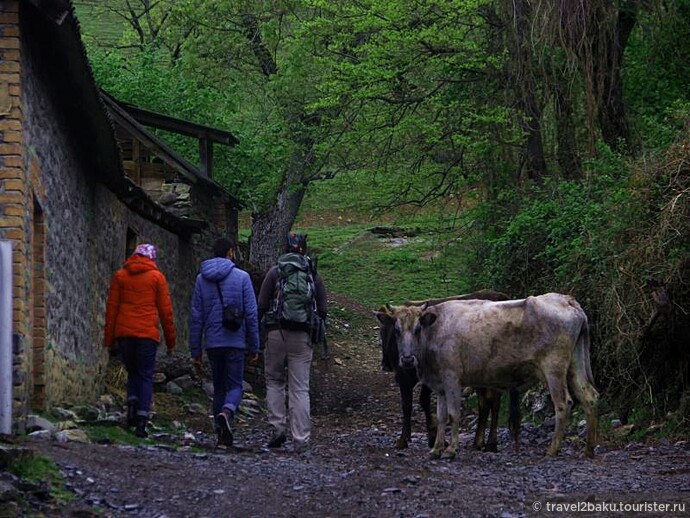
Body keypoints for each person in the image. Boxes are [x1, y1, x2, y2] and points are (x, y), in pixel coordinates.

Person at [258, 233, 328, 452]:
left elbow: (260, 305)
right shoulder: (312, 275)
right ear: (304, 250)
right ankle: (301, 438)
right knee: (300, 388)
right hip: (302, 336)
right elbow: (323, 310)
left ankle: (278, 429)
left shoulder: (275, 271)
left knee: (274, 381)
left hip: (276, 332)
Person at [189, 237, 260, 447]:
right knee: (235, 385)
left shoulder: (202, 279)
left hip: (212, 342)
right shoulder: (243, 277)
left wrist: (195, 350)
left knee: (218, 387)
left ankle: (220, 436)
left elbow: (196, 316)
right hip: (235, 341)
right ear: (230, 252)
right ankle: (227, 412)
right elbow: (251, 314)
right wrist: (255, 346)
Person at [104, 243, 176, 438]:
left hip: (124, 335)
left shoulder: (120, 276)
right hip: (147, 336)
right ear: (151, 258)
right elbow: (166, 312)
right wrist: (171, 341)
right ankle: (142, 420)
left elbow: (112, 309)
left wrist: (109, 340)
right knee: (145, 374)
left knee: (132, 371)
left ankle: (132, 408)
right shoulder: (157, 278)